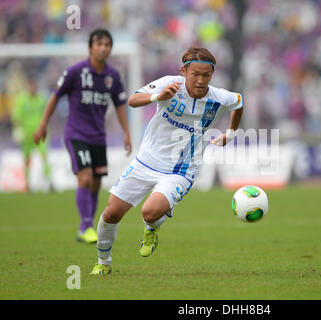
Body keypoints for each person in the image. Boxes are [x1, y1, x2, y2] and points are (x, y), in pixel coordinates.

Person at [89, 46, 244, 275]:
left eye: (206, 75)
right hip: (146, 161)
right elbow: (132, 100)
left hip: (181, 169)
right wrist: (157, 97)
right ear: (183, 71)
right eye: (195, 74)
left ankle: (151, 228)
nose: (201, 80)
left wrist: (230, 134)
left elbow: (239, 102)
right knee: (111, 213)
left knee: (149, 212)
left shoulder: (219, 97)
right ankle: (103, 263)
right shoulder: (169, 84)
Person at [33, 29, 132, 244]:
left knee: (96, 183)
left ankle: (84, 226)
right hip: (76, 134)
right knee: (85, 178)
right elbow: (54, 97)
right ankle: (87, 225)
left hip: (98, 137)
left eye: (107, 45)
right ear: (90, 47)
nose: (104, 48)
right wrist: (43, 125)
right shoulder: (75, 72)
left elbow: (120, 105)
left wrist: (126, 133)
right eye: (100, 44)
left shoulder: (113, 76)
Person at [11, 78, 52, 192]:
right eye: (31, 86)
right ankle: (28, 184)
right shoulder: (22, 100)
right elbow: (17, 116)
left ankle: (49, 182)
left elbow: (47, 114)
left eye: (34, 86)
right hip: (27, 134)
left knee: (44, 155)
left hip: (40, 132)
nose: (33, 88)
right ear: (28, 86)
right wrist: (18, 129)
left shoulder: (41, 99)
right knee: (27, 159)